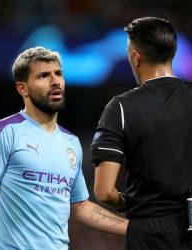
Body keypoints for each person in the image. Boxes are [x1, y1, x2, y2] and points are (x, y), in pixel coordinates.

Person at [0, 46, 128, 250]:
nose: (55, 81)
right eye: (43, 76)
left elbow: (80, 207)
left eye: (58, 74)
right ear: (22, 88)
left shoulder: (71, 142)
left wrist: (133, 228)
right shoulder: (3, 132)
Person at [91, 16, 192, 249]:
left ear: (136, 57)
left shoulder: (121, 107)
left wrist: (128, 204)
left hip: (149, 232)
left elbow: (104, 192)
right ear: (172, 53)